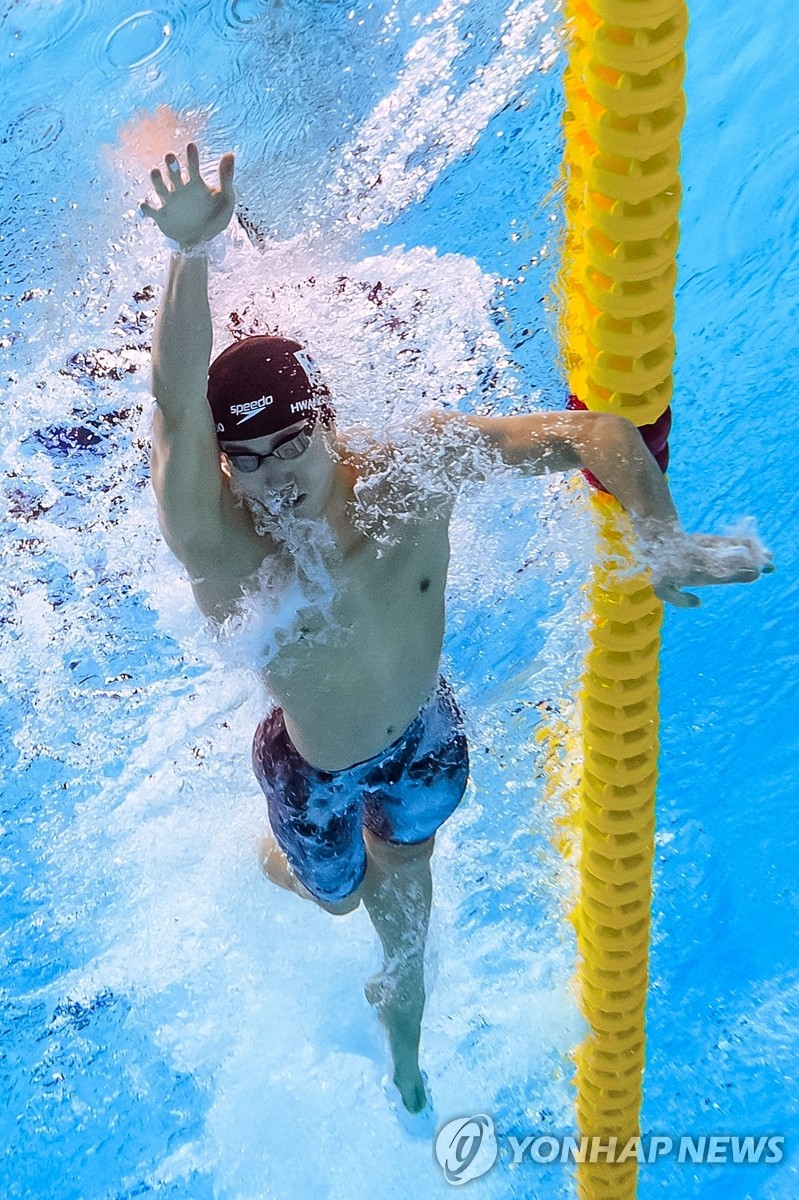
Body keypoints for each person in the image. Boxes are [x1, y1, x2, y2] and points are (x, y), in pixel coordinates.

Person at [140, 143, 773, 1116]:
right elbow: (176, 415)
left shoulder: (411, 469)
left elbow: (588, 434)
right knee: (335, 895)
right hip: (310, 776)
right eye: (247, 463)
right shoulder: (226, 551)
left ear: (330, 424)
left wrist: (665, 542)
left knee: (405, 950)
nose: (271, 479)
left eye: (289, 446)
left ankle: (404, 1059)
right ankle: (268, 855)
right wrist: (190, 257)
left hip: (425, 739)